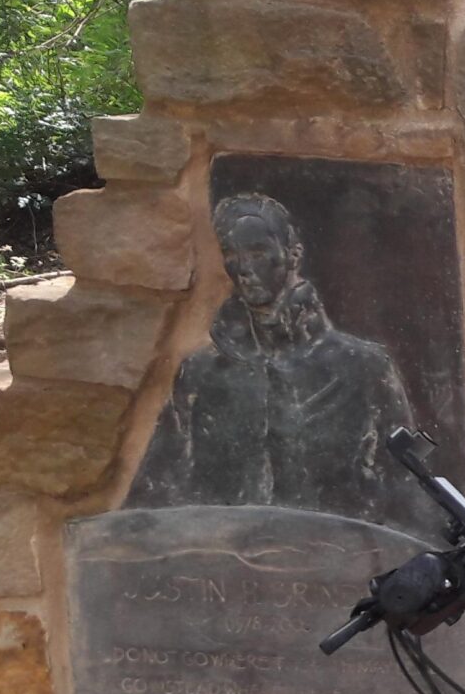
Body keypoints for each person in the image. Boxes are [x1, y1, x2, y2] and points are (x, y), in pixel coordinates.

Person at [126, 193, 432, 529]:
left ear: (292, 254)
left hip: (342, 566)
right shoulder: (200, 373)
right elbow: (152, 499)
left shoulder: (364, 367)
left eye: (257, 252)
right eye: (231, 254)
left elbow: (408, 494)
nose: (244, 268)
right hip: (226, 569)